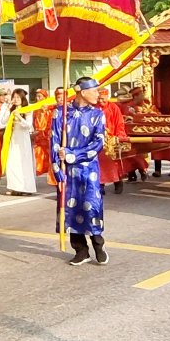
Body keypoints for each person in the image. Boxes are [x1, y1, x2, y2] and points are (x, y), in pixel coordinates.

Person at [55, 76, 109, 264]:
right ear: (82, 92)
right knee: (69, 209)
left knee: (91, 206)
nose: (97, 94)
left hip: (88, 170)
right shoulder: (61, 113)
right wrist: (57, 169)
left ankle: (98, 244)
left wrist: (73, 154)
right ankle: (80, 249)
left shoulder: (97, 115)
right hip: (67, 171)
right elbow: (54, 142)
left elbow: (98, 143)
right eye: (94, 90)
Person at [0, 87, 39, 196]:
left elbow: (28, 125)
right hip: (13, 139)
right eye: (14, 97)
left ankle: (26, 188)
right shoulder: (12, 109)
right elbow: (2, 121)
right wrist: (8, 108)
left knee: (23, 163)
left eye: (18, 97)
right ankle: (14, 187)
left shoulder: (27, 110)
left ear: (22, 98)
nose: (15, 99)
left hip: (23, 140)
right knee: (12, 163)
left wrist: (19, 117)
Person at [97, 83, 133, 194]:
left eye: (102, 99)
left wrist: (119, 136)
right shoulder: (94, 108)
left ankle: (118, 182)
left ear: (107, 97)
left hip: (112, 140)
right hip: (98, 141)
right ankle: (100, 186)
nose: (101, 101)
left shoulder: (113, 108)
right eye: (99, 99)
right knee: (99, 165)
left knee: (114, 163)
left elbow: (119, 123)